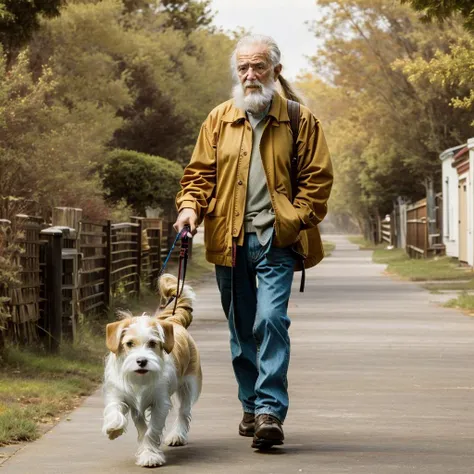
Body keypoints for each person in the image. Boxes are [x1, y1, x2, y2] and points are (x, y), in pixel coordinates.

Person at [174, 34, 333, 449]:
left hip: (276, 241)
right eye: (243, 67)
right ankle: (250, 404)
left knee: (271, 321)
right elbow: (198, 176)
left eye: (258, 66)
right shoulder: (219, 119)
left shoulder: (300, 120)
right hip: (228, 240)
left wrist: (291, 222)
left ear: (275, 71)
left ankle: (269, 411)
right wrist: (190, 207)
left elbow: (318, 183)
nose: (249, 74)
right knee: (242, 329)